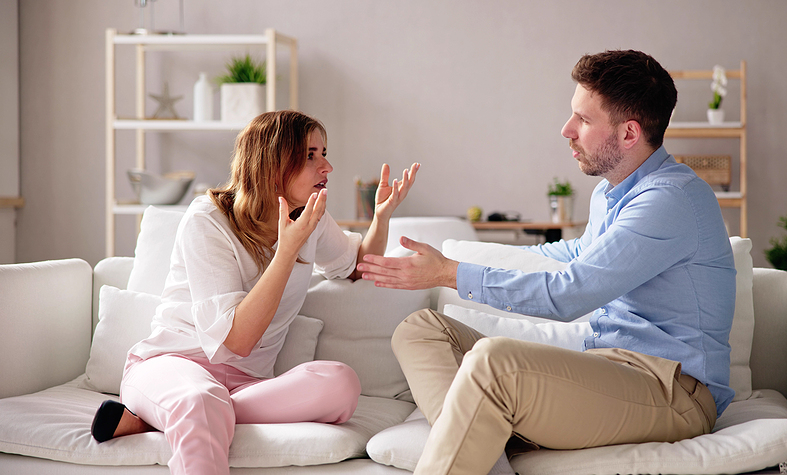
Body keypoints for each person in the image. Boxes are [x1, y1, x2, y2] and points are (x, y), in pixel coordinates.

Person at [356, 50, 736, 475]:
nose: (566, 130)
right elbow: (570, 254)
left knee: (493, 362)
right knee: (421, 330)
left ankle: (483, 433)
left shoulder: (669, 199)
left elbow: (570, 292)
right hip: (610, 371)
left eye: (584, 120)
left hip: (673, 394)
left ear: (630, 133)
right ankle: (488, 449)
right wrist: (452, 257)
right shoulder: (611, 193)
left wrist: (448, 274)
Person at [90, 110, 420, 475]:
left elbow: (355, 266)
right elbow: (237, 341)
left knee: (341, 383)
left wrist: (382, 217)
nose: (326, 167)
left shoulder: (309, 217)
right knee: (201, 398)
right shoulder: (208, 219)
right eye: (311, 155)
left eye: (324, 153)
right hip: (173, 366)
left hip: (248, 386)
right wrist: (287, 251)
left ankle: (158, 419)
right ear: (272, 162)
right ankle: (186, 412)